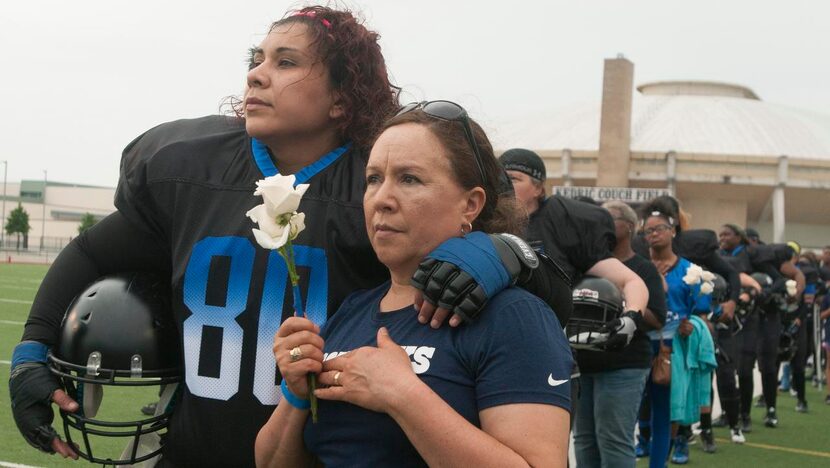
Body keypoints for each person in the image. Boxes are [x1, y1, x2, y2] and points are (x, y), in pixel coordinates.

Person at [8, 8, 533, 466]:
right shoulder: (192, 168)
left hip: (313, 454)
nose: (258, 75)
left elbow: (533, 290)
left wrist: (498, 253)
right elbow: (92, 251)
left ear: (341, 99)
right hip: (191, 450)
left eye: (285, 62)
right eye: (255, 59)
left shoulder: (375, 188)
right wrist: (33, 345)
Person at [256, 102, 573, 467]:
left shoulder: (514, 316)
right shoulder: (353, 310)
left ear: (470, 204)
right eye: (374, 179)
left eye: (410, 179)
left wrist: (402, 394)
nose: (382, 200)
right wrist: (296, 393)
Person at [571, 200, 666, 468]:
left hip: (624, 364)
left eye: (609, 218)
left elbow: (657, 317)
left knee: (614, 440)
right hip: (584, 362)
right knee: (584, 440)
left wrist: (623, 298)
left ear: (629, 227)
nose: (601, 223)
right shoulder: (586, 265)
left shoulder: (643, 268)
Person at [638, 209, 713, 468]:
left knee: (665, 412)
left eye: (660, 228)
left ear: (673, 231)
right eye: (648, 230)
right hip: (636, 346)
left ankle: (660, 461)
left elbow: (701, 316)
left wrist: (690, 325)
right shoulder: (637, 265)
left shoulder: (691, 270)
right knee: (632, 410)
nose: (654, 234)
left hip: (671, 351)